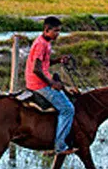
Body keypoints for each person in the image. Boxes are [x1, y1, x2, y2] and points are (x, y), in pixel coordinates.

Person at [25, 16, 74, 154]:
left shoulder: (45, 42)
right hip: (38, 84)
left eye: (59, 31)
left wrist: (58, 60)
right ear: (47, 30)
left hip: (40, 82)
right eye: (56, 31)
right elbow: (36, 69)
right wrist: (52, 83)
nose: (58, 34)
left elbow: (44, 64)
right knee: (68, 109)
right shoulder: (41, 44)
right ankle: (60, 146)